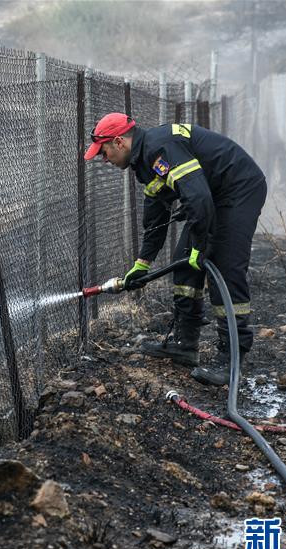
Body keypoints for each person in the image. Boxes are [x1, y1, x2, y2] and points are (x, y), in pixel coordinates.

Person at [84, 113, 266, 385]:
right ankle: (185, 342)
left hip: (238, 189)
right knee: (183, 260)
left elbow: (199, 197)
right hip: (212, 196)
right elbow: (155, 219)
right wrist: (143, 262)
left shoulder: (160, 149)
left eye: (104, 151)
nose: (104, 159)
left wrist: (201, 248)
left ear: (119, 142)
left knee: (225, 268)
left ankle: (232, 359)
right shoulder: (145, 161)